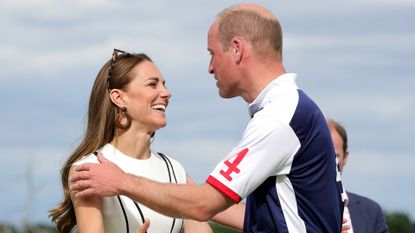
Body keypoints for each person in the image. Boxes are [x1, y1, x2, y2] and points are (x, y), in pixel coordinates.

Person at [70, 3, 344, 232]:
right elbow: (221, 205)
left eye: (213, 54)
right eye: (153, 84)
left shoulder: (278, 118)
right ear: (118, 97)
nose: (210, 67)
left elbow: (204, 203)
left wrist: (122, 182)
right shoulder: (288, 109)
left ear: (236, 49)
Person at [48, 49, 214, 233]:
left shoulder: (175, 170)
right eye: (153, 85)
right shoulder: (89, 169)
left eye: (164, 85)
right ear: (119, 98)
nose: (166, 93)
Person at [327, 119, 389, 233]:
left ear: (345, 156)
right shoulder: (294, 210)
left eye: (335, 156)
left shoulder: (372, 212)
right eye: (322, 156)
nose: (329, 164)